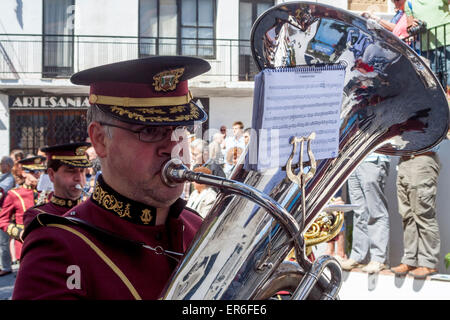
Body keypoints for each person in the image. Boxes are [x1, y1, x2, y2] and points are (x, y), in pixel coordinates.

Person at [13, 55, 210, 300]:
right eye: (149, 130)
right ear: (100, 140)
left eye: (182, 128)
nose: (174, 147)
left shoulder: (198, 226)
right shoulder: (58, 248)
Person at [390, 145, 442, 278]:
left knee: (423, 215)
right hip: (404, 161)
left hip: (423, 159)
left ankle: (429, 263)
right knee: (407, 215)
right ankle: (410, 260)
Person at [340, 153, 390, 273]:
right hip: (353, 160)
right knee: (359, 212)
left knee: (376, 211)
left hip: (373, 159)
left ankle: (378, 258)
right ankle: (358, 257)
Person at [23, 142, 92, 227]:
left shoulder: (92, 212)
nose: (79, 178)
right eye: (71, 170)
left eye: (82, 171)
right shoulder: (38, 216)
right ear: (51, 174)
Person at [0, 155, 46, 274]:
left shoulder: (47, 192)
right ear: (24, 173)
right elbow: (3, 220)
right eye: (34, 172)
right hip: (24, 243)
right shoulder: (14, 194)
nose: (38, 175)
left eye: (40, 171)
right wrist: (18, 233)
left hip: (45, 242)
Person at [405, 0, 450, 94]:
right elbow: (409, 29)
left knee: (449, 80)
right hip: (427, 50)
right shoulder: (409, 3)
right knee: (435, 85)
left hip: (447, 43)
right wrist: (414, 27)